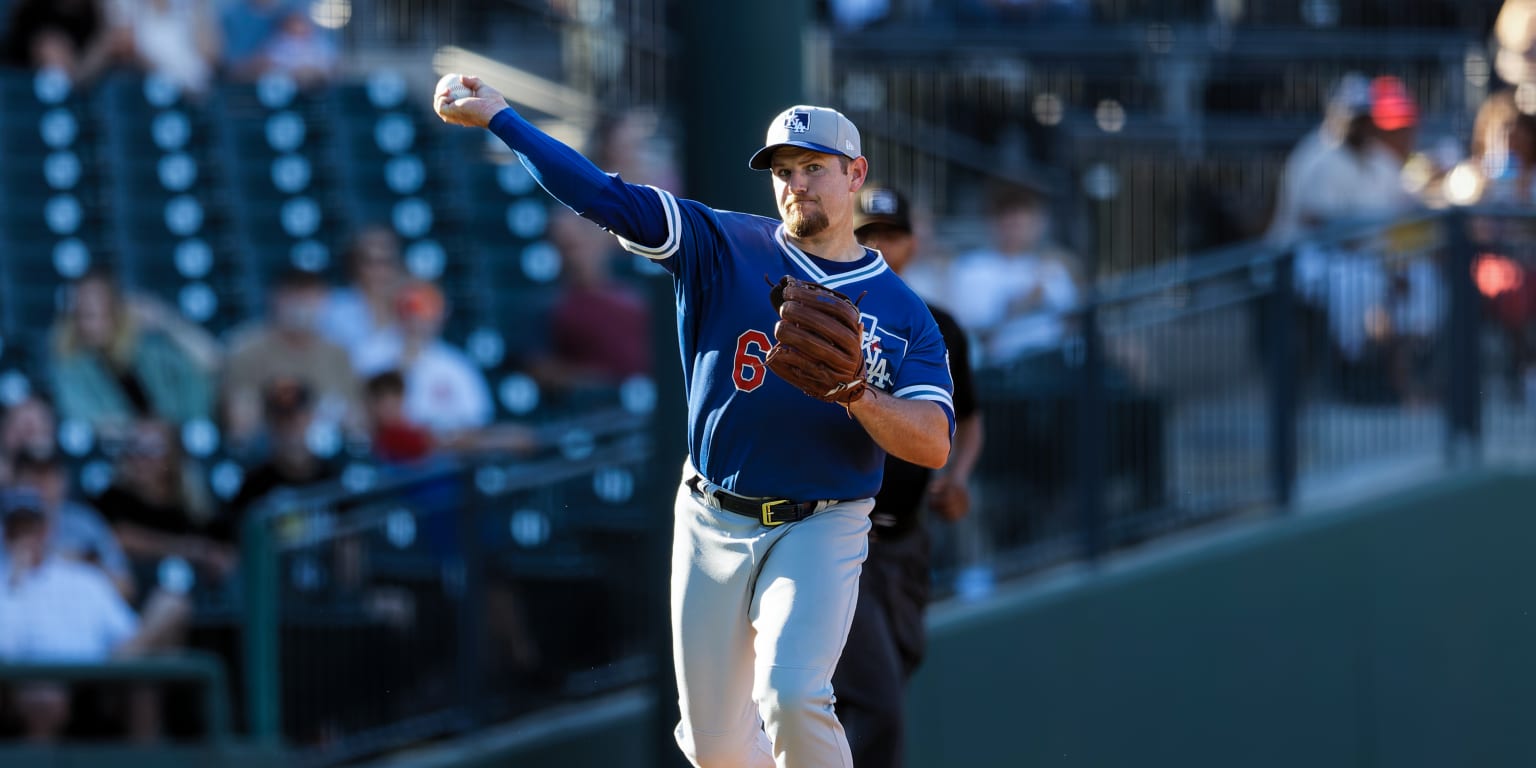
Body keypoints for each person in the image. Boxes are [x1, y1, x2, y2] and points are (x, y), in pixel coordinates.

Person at [436, 79, 954, 768]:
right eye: (784, 171)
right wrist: (504, 119)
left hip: (821, 521)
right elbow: (603, 196)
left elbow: (932, 441)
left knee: (794, 693)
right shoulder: (721, 243)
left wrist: (858, 393)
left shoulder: (902, 310)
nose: (797, 184)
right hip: (712, 514)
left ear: (854, 174)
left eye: (814, 168)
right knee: (713, 746)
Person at [832, 185, 983, 768]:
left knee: (891, 675)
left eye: (890, 235)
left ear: (912, 245)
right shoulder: (829, 318)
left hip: (908, 539)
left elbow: (967, 422)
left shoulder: (936, 326)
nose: (880, 246)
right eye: (867, 234)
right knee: (875, 702)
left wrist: (959, 476)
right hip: (845, 538)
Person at [0, 489, 189, 742]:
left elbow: (126, 633)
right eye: (17, 529)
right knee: (43, 696)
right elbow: (7, 647)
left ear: (47, 530)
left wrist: (116, 661)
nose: (26, 537)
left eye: (32, 527)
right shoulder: (5, 581)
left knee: (168, 610)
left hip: (97, 673)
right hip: (29, 679)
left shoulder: (81, 576)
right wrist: (16, 581)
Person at [49, 268, 214, 438]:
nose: (91, 324)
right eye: (85, 314)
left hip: (174, 448)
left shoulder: (149, 350)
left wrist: (165, 319)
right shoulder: (71, 368)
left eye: (100, 310)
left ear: (116, 309)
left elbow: (209, 360)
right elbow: (92, 424)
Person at [221, 267, 362, 454]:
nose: (302, 304)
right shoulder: (246, 349)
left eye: (310, 295)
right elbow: (240, 429)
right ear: (276, 298)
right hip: (269, 459)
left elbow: (359, 424)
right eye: (295, 294)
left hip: (329, 459)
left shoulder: (337, 353)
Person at [946, 180, 1084, 366]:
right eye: (1008, 218)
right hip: (1002, 369)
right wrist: (1023, 303)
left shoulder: (1053, 267)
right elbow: (974, 328)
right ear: (993, 223)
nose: (1015, 227)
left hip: (1054, 364)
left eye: (1023, 219)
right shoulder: (973, 268)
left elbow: (1073, 319)